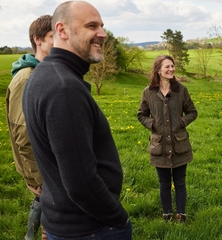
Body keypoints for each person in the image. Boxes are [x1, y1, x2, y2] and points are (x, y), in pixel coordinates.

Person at [22, 1, 132, 239]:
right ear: (62, 30)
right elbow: (81, 183)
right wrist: (118, 218)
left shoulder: (43, 74)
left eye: (102, 26)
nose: (102, 34)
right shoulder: (64, 87)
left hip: (65, 220)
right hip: (89, 227)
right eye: (92, 26)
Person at [6, 15, 53, 240]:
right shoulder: (26, 77)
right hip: (43, 170)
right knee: (52, 219)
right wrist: (39, 179)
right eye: (54, 36)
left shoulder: (48, 71)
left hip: (53, 164)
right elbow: (22, 134)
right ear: (38, 40)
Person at [137, 55, 197, 223]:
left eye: (172, 66)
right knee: (164, 184)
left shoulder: (181, 90)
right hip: (159, 146)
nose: (171, 69)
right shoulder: (148, 92)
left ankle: (182, 215)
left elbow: (193, 112)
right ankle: (167, 215)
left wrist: (181, 122)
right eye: (167, 67)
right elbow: (141, 115)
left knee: (180, 182)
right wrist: (152, 124)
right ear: (158, 70)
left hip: (180, 145)